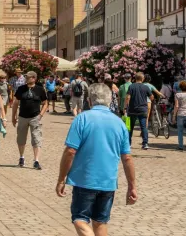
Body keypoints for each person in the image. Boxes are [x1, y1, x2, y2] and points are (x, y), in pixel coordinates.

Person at [56, 83, 138, 236]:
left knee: (80, 219)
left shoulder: (82, 119)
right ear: (110, 100)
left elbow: (70, 151)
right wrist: (132, 186)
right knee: (100, 222)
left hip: (84, 180)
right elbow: (127, 158)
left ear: (89, 100)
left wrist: (61, 179)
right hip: (108, 182)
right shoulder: (119, 123)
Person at [13, 70, 48, 170]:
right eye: (26, 77)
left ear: (34, 78)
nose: (26, 79)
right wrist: (13, 117)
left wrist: (40, 115)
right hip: (22, 117)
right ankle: (21, 157)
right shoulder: (21, 89)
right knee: (21, 138)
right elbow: (16, 103)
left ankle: (36, 161)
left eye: (29, 77)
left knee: (36, 138)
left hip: (35, 117)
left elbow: (45, 103)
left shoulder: (40, 89)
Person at [124, 72, 151, 150]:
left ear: (135, 78)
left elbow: (128, 97)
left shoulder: (131, 86)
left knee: (129, 127)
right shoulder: (146, 87)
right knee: (143, 127)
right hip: (143, 110)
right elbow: (151, 97)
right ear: (143, 79)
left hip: (132, 110)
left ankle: (128, 143)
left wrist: (125, 107)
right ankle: (145, 143)